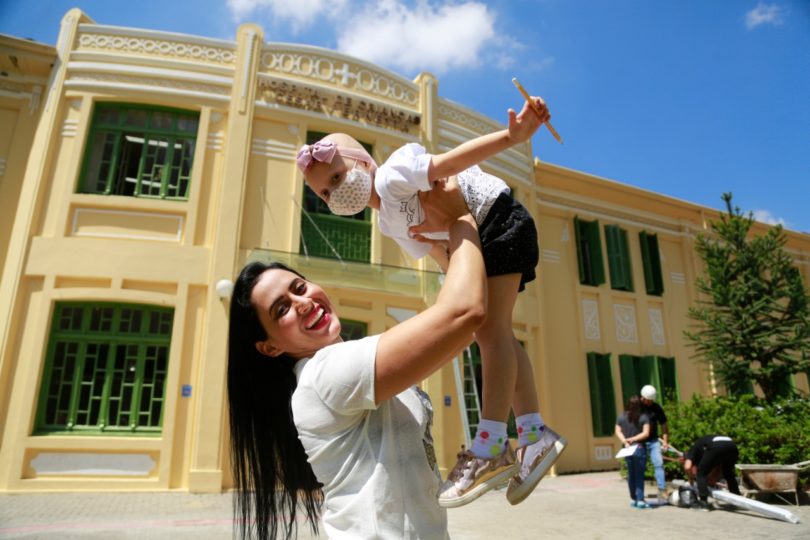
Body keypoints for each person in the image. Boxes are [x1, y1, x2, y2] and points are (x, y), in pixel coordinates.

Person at [296, 95, 567, 508]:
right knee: (496, 335)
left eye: (336, 177)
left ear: (362, 161)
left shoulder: (392, 176)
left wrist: (510, 138)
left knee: (491, 332)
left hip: (497, 219)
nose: (335, 192)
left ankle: (491, 446)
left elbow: (452, 163)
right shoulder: (388, 220)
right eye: (325, 193)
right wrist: (455, 304)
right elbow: (442, 254)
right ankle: (533, 435)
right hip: (481, 237)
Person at [227, 177, 487, 539]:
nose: (302, 302)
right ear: (269, 347)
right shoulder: (324, 374)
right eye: (282, 308)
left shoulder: (352, 367)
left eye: (299, 287)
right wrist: (460, 215)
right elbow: (465, 313)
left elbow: (461, 330)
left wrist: (432, 243)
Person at [683, 435, 741, 510]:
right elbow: (716, 468)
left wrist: (690, 479)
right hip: (732, 445)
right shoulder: (703, 449)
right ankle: (736, 498)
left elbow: (687, 467)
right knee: (728, 473)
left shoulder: (692, 451)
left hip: (716, 445)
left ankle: (703, 503)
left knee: (701, 473)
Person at [615, 396, 651, 509]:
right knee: (639, 474)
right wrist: (634, 439)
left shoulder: (621, 416)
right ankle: (640, 499)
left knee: (631, 474)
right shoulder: (644, 417)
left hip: (627, 448)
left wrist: (625, 441)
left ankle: (632, 498)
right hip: (639, 447)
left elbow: (617, 431)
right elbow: (646, 433)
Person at [640, 384, 669, 501]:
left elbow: (664, 425)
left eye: (652, 400)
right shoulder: (637, 408)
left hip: (653, 441)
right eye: (648, 400)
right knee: (639, 467)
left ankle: (662, 490)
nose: (650, 402)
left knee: (659, 464)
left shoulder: (656, 408)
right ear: (643, 397)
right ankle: (639, 493)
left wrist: (665, 442)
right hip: (639, 443)